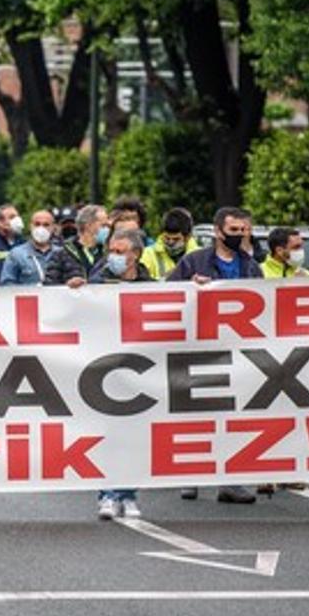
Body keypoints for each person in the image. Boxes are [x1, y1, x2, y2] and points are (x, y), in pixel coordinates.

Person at [168, 206, 263, 505]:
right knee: (198, 415)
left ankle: (230, 481)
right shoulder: (193, 262)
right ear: (219, 231)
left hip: (237, 352)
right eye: (234, 230)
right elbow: (164, 296)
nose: (239, 236)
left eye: (244, 231)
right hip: (199, 349)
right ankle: (191, 475)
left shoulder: (251, 267)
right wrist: (188, 288)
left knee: (232, 416)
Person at [89, 229, 153, 519]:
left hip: (138, 370)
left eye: (120, 251)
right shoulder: (97, 281)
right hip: (103, 368)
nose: (112, 257)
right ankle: (107, 494)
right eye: (111, 251)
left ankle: (128, 495)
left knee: (133, 435)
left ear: (135, 255)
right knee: (108, 434)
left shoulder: (150, 285)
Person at [44, 204, 107, 287]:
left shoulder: (108, 253)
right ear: (88, 225)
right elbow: (49, 287)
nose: (107, 230)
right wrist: (67, 286)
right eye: (103, 225)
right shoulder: (61, 254)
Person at [0, 209, 57, 286]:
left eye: (46, 225)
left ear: (53, 228)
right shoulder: (16, 254)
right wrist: (31, 289)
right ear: (30, 226)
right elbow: (6, 284)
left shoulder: (61, 253)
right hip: (29, 297)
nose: (41, 228)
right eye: (37, 224)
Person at [141, 208, 198, 280]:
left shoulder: (199, 257)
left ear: (188, 237)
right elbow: (142, 283)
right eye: (167, 238)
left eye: (176, 239)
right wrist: (166, 279)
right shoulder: (148, 254)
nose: (170, 242)